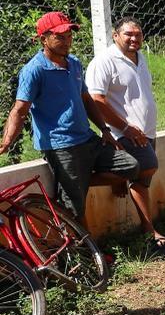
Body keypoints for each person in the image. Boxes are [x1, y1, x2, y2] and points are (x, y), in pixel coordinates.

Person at [0, 12, 139, 230]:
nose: (67, 41)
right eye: (60, 36)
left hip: (87, 139)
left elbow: (86, 99)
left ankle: (77, 183)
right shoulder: (34, 70)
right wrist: (6, 142)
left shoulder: (73, 64)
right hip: (62, 145)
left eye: (69, 35)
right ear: (43, 39)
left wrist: (104, 129)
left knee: (130, 167)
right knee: (73, 209)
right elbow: (19, 110)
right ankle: (85, 256)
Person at [86, 17, 165, 250]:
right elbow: (96, 99)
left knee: (142, 180)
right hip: (123, 132)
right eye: (128, 34)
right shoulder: (104, 61)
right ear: (115, 36)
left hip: (146, 131)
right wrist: (125, 128)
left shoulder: (140, 59)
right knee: (147, 167)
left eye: (138, 34)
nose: (134, 38)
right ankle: (88, 181)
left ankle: (148, 229)